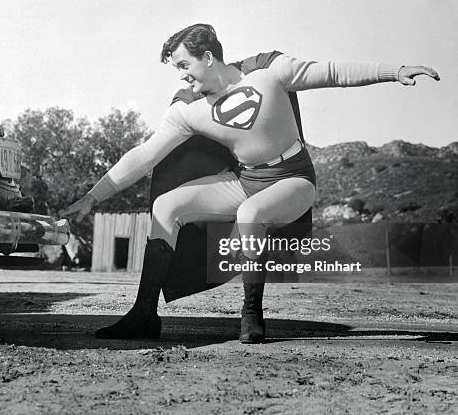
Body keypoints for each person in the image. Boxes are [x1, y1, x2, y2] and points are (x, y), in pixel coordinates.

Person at [61, 23, 440, 342]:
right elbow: (144, 155)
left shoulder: (268, 70)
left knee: (250, 212)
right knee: (166, 206)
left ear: (208, 57)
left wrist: (396, 70)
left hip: (293, 179)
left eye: (183, 64)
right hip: (246, 179)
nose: (181, 75)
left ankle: (251, 314)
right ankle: (144, 315)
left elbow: (333, 73)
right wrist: (93, 197)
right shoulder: (187, 109)